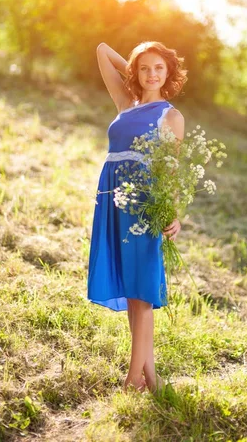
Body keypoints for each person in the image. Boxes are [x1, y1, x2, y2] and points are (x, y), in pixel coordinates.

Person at [87, 40, 187, 393]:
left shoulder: (170, 117)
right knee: (132, 290)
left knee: (142, 290)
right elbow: (101, 50)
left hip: (144, 203)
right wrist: (133, 63)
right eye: (145, 68)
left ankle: (134, 379)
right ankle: (150, 376)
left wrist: (173, 213)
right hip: (112, 199)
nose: (151, 74)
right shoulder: (125, 103)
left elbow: (170, 172)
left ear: (168, 73)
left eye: (159, 68)